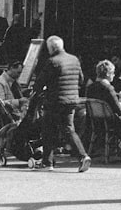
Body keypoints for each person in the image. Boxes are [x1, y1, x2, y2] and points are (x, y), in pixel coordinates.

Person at [31, 35, 91, 172]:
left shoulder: (52, 61)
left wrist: (36, 91)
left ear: (51, 48)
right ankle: (83, 156)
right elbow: (81, 80)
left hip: (55, 101)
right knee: (69, 129)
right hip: (71, 100)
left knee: (48, 130)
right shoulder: (74, 59)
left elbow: (40, 82)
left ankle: (47, 162)